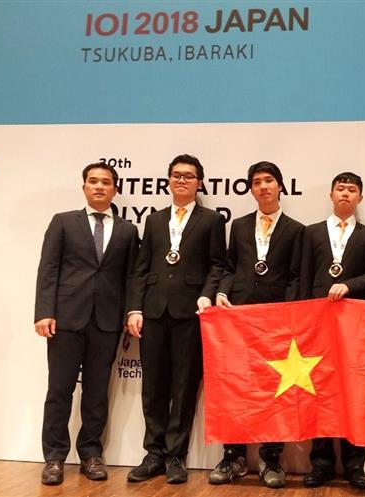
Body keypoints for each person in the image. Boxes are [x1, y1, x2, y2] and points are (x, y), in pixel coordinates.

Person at [35, 162, 139, 485]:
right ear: (84, 187)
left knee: (96, 392)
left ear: (115, 189)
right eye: (93, 181)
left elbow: (131, 277)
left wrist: (130, 312)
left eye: (106, 182)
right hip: (66, 319)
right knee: (59, 389)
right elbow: (48, 268)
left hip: (106, 321)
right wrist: (43, 311)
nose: (99, 186)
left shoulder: (127, 230)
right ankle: (54, 457)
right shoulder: (64, 222)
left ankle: (91, 454)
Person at [126, 154, 226, 484]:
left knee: (184, 386)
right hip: (153, 311)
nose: (182, 180)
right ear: (168, 181)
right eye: (176, 175)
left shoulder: (212, 220)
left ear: (200, 183)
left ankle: (175, 456)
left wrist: (207, 294)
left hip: (191, 313)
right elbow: (141, 268)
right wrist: (135, 308)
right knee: (153, 386)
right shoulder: (154, 220)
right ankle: (153, 453)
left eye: (189, 176)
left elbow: (218, 265)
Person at [208, 161, 304, 489]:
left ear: (280, 186)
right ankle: (233, 456)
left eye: (269, 180)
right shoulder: (238, 225)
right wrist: (222, 292)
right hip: (239, 318)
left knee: (275, 390)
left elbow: (296, 277)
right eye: (257, 182)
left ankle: (271, 458)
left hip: (277, 323)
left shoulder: (296, 230)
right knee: (236, 387)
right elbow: (229, 266)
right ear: (251, 189)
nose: (263, 186)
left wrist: (287, 312)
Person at [298, 172, 365, 489]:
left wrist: (349, 285)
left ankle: (354, 465)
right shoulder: (311, 233)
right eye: (340, 188)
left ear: (360, 197)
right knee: (318, 391)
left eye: (352, 189)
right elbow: (303, 277)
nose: (345, 193)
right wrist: (302, 322)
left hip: (354, 327)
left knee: (353, 391)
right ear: (331, 195)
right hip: (317, 324)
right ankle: (321, 464)